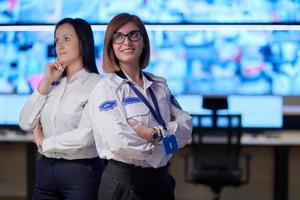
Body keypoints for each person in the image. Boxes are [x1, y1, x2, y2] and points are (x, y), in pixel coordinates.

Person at [88, 13, 193, 200]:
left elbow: (186, 128)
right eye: (118, 36)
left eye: (134, 35)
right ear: (111, 45)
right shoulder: (106, 89)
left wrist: (154, 134)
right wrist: (165, 143)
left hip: (161, 180)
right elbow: (118, 141)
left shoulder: (159, 85)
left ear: (143, 41)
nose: (126, 42)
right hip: (126, 182)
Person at [19, 18, 105, 200]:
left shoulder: (98, 84)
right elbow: (25, 122)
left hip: (81, 173)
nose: (59, 45)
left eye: (66, 39)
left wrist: (44, 143)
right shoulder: (53, 84)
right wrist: (46, 81)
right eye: (57, 40)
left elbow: (86, 136)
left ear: (83, 42)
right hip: (45, 170)